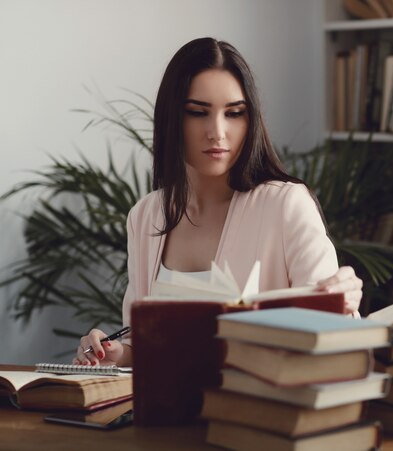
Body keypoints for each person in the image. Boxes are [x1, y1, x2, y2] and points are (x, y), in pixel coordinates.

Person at [73, 37, 363, 367]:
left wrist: (343, 303)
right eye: (198, 113)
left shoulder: (286, 206)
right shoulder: (146, 216)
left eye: (234, 113)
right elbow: (147, 348)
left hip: (257, 411)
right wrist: (115, 354)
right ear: (172, 119)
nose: (218, 132)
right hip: (167, 415)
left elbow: (334, 342)